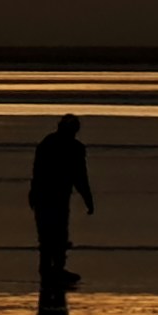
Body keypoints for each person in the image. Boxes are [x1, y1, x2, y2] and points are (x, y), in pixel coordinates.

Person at [29, 115, 93, 288]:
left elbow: (79, 176)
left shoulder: (49, 144)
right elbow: (80, 177)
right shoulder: (69, 147)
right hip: (52, 196)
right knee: (54, 234)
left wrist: (88, 198)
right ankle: (52, 269)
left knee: (52, 234)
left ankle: (52, 269)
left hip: (50, 195)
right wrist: (88, 199)